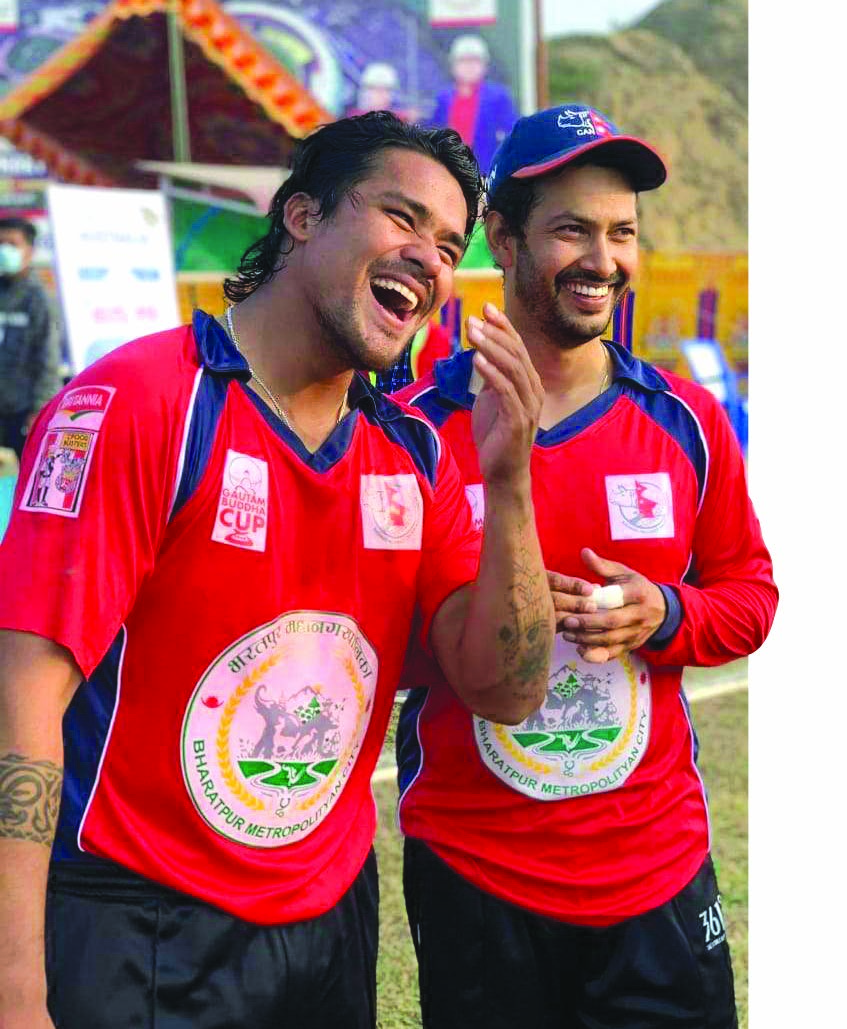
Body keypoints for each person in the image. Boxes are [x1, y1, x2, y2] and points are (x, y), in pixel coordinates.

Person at [0, 112, 555, 1029]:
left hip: (329, 924)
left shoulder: (412, 452)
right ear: (301, 217)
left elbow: (509, 689)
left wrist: (511, 484)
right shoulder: (141, 403)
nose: (428, 257)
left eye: (450, 244)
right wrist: (17, 991)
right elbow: (19, 707)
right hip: (138, 924)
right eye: (400, 217)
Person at [393, 104, 778, 1029]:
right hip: (475, 866)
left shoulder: (684, 420)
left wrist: (665, 612)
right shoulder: (409, 427)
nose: (601, 260)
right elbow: (374, 639)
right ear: (501, 236)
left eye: (621, 233)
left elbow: (751, 598)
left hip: (656, 865)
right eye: (570, 229)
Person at [0, 215, 62, 460]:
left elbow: (49, 359)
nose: (4, 250)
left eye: (12, 245)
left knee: (29, 477)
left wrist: (40, 410)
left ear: (30, 250)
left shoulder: (40, 299)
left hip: (24, 409)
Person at [429, 35, 518, 175]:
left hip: (487, 173)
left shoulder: (499, 97)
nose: (469, 66)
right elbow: (433, 134)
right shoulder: (443, 98)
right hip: (450, 172)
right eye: (463, 61)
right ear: (453, 66)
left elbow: (511, 136)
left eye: (475, 61)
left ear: (485, 66)